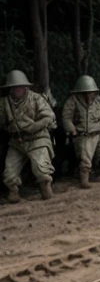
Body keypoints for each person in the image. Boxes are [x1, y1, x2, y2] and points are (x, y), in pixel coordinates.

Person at [1, 69, 56, 203]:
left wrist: (34, 127)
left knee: (41, 169)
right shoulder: (4, 103)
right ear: (10, 88)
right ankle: (13, 191)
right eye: (14, 87)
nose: (18, 89)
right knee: (9, 173)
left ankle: (45, 187)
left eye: (20, 86)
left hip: (38, 139)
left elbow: (49, 116)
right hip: (17, 142)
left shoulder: (36, 98)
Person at [61, 76, 100, 188]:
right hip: (85, 134)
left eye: (92, 92)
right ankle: (84, 179)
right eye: (88, 92)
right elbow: (66, 117)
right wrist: (72, 129)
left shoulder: (98, 100)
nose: (91, 94)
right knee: (85, 158)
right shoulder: (73, 101)